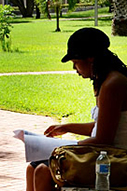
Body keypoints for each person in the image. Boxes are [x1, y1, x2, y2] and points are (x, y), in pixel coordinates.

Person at [26, 27, 127, 191]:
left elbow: (103, 139)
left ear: (90, 59)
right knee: (32, 168)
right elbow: (100, 127)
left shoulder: (113, 84)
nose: (75, 69)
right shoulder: (102, 81)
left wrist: (63, 149)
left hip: (116, 158)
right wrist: (66, 127)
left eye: (75, 63)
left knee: (43, 171)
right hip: (103, 152)